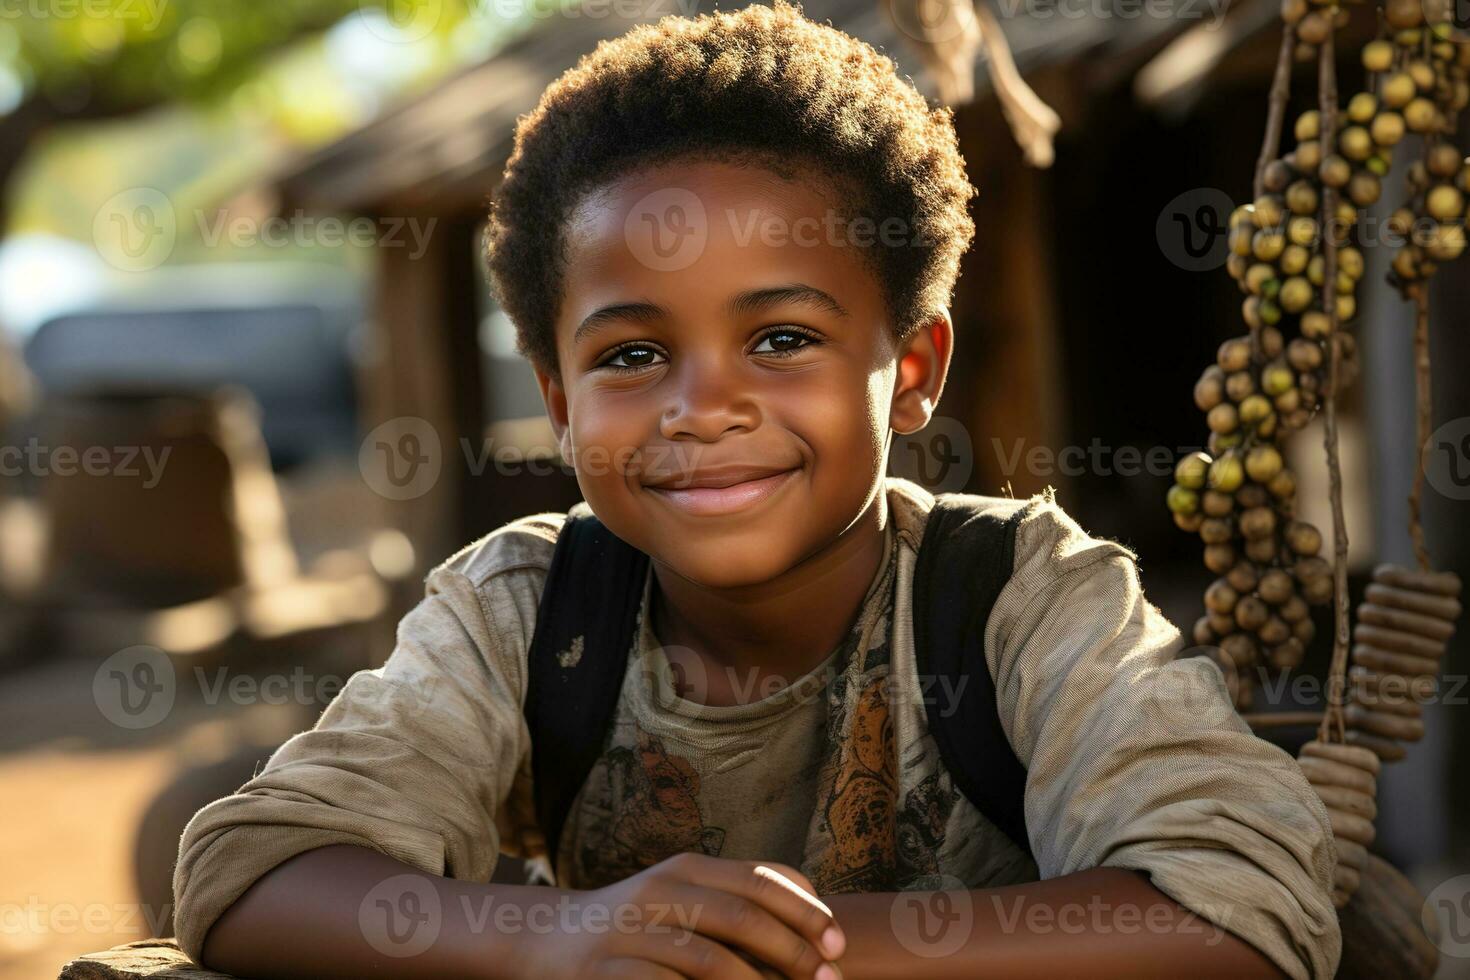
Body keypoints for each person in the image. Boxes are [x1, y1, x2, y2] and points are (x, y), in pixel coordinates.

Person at [173, 4, 1339, 977]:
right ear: (561, 398)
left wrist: (807, 949)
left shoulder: (1023, 597)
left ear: (913, 373)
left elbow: (1244, 902)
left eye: (782, 337)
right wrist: (559, 936)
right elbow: (250, 870)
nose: (702, 407)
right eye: (631, 355)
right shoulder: (526, 609)